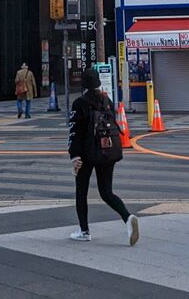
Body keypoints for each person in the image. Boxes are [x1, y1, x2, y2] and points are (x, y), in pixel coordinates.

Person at [67, 68, 139, 245]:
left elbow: (75, 133)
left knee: (81, 192)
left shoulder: (80, 103)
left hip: (86, 153)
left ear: (83, 84)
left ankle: (84, 231)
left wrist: (74, 156)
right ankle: (127, 217)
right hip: (107, 150)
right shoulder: (107, 101)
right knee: (106, 192)